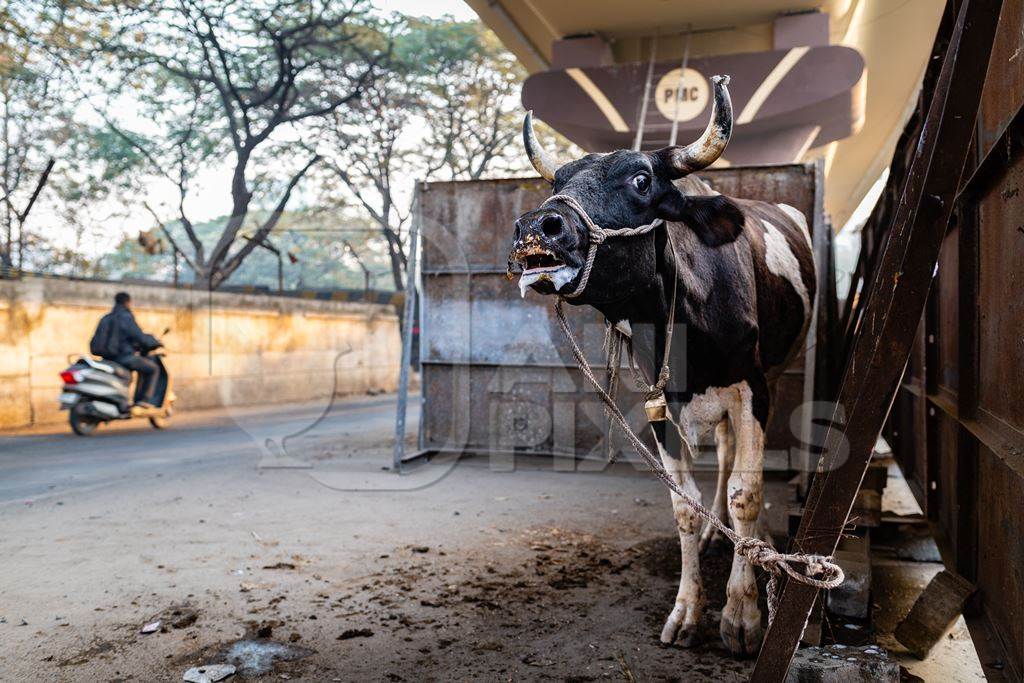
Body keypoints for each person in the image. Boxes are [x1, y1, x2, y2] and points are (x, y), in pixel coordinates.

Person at [91, 292, 162, 408]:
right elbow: (139, 336)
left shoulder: (106, 318)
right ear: (128, 302)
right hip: (124, 357)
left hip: (107, 358)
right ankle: (144, 400)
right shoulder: (126, 317)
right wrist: (153, 342)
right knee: (153, 369)